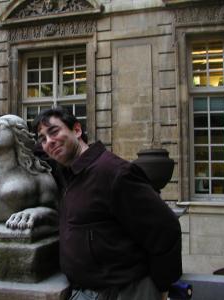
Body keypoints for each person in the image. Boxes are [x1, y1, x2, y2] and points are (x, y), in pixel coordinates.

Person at [32, 108, 182, 300]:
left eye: (54, 132)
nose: (49, 142)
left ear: (77, 130)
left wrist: (161, 287)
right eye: (42, 138)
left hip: (124, 292)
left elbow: (165, 229)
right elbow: (37, 149)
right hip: (85, 291)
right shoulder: (67, 173)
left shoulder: (114, 173)